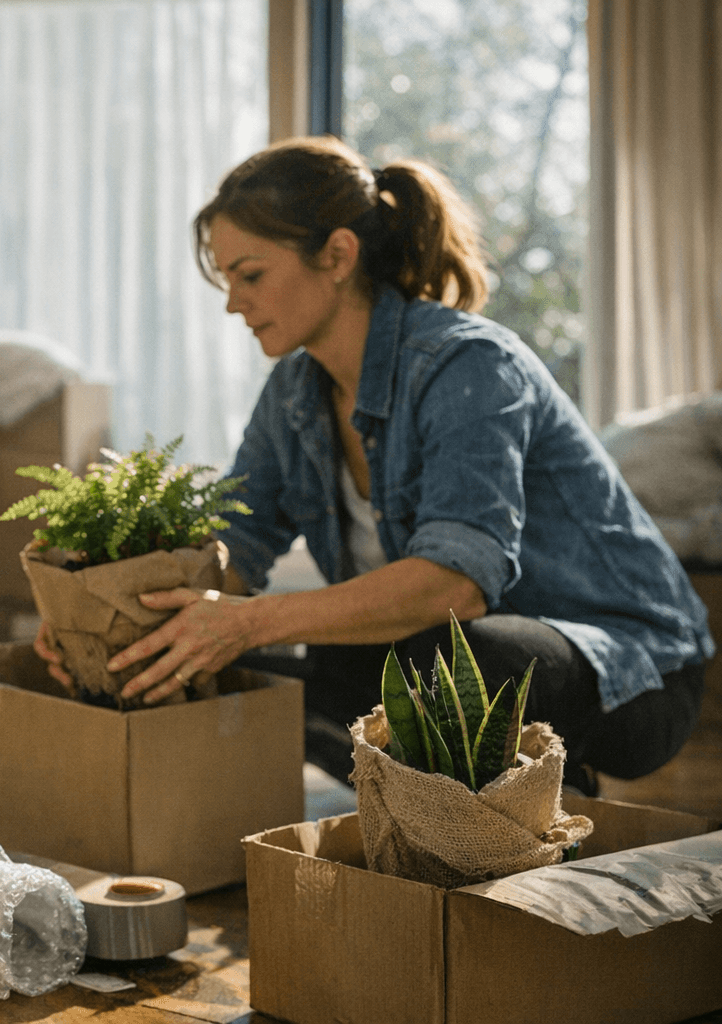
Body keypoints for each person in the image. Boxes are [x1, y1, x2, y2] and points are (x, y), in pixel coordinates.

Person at [36, 135, 714, 789]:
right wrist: (105, 621)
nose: (233, 302)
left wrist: (244, 622)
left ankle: (527, 800)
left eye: (251, 275)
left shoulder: (469, 364)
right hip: (454, 650)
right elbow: (232, 547)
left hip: (631, 670)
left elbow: (455, 588)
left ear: (337, 255)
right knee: (256, 669)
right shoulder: (294, 392)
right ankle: (465, 807)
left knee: (444, 661)